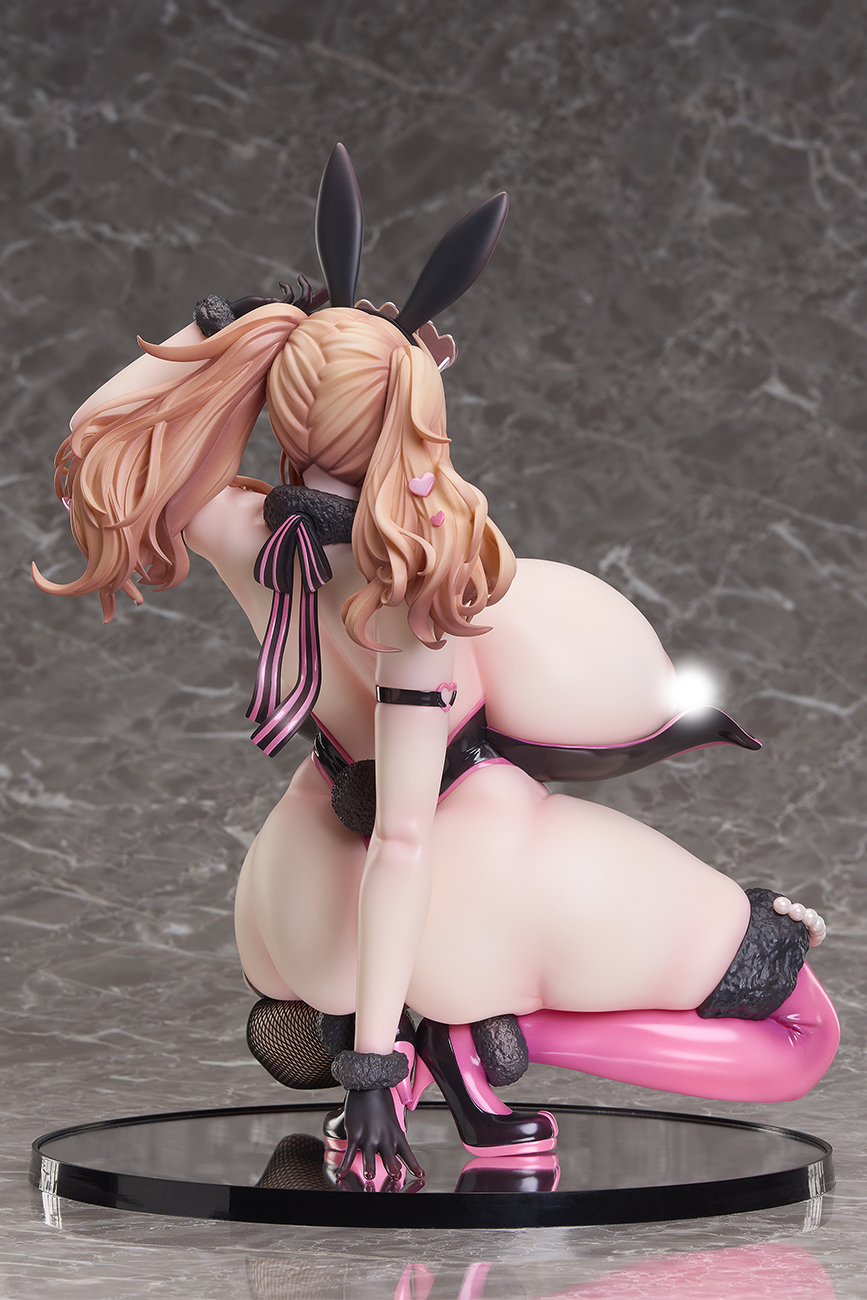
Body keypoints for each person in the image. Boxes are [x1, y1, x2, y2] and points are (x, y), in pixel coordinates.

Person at [33, 146, 838, 1183]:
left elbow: (100, 437)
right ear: (413, 413)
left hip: (299, 885)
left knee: (434, 946)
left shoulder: (241, 531)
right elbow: (404, 841)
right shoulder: (409, 593)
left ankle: (427, 1041)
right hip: (459, 881)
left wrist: (224, 325)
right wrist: (370, 1071)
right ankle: (468, 1042)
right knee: (794, 1029)